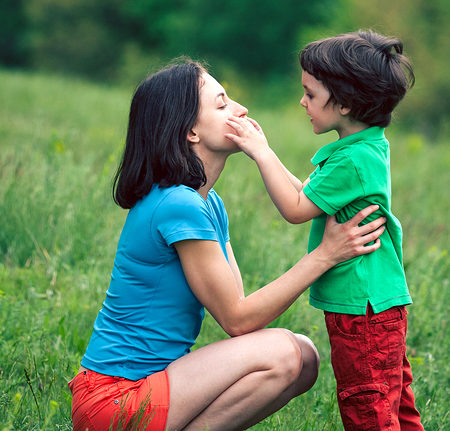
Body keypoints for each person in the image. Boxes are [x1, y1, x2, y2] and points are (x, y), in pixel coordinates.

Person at [70, 57, 387, 431]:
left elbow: (237, 308)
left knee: (303, 357)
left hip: (145, 390)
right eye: (222, 104)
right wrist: (325, 256)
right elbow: (238, 320)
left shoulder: (206, 202)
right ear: (191, 131)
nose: (241, 110)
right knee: (284, 353)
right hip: (115, 400)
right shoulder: (178, 205)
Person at [224, 31, 424, 431]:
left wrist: (260, 153)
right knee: (394, 404)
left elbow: (297, 209)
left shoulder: (352, 160)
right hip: (377, 306)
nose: (303, 102)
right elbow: (310, 195)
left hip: (363, 312)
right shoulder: (363, 148)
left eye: (310, 95)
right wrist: (267, 149)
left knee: (368, 409)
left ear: (346, 103)